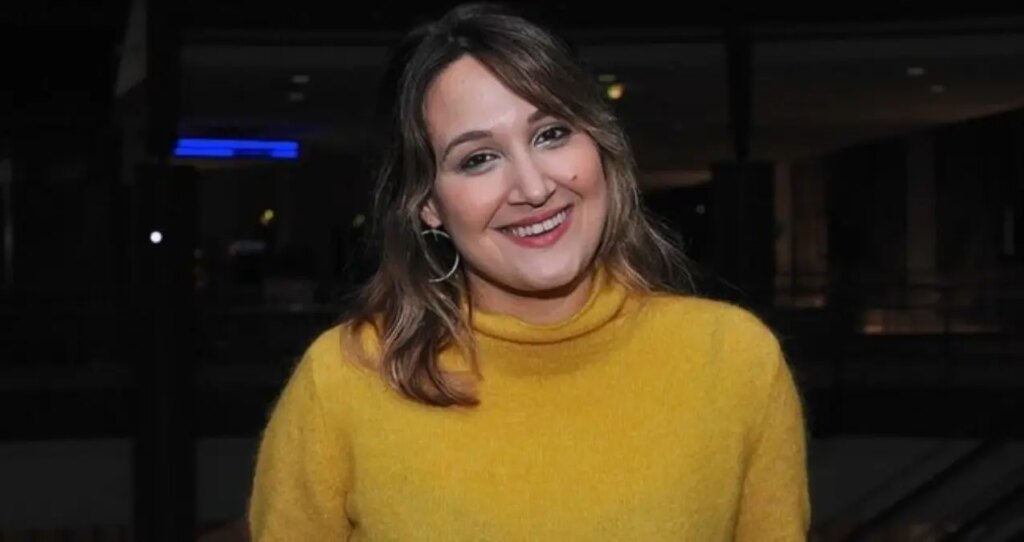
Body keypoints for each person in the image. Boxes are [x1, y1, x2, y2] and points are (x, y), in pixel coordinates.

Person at [247, 3, 811, 540]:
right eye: (478, 159)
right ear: (429, 205)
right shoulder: (344, 380)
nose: (534, 187)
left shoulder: (735, 362)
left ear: (600, 146)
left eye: (551, 134)